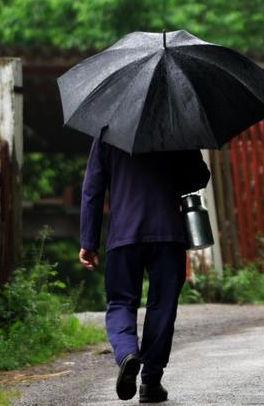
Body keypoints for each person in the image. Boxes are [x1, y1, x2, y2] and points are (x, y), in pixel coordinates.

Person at [78, 134, 210, 403]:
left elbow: (93, 188)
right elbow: (198, 177)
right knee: (162, 306)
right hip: (168, 233)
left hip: (124, 234)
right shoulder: (176, 128)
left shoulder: (107, 132)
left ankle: (127, 353)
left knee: (120, 303)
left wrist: (88, 241)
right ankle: (151, 382)